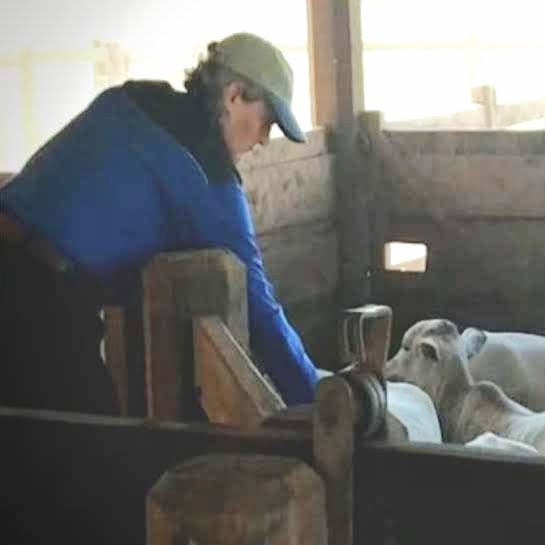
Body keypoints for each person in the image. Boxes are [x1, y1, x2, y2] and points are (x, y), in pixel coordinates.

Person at [0, 32, 319, 415]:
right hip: (37, 299)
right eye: (267, 121)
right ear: (235, 96)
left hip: (20, 264)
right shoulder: (207, 174)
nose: (266, 140)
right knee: (88, 452)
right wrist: (321, 400)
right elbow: (258, 305)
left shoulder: (128, 99)